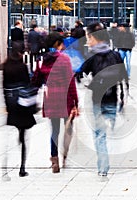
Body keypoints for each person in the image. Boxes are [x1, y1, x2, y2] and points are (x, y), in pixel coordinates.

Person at [75, 22, 128, 179]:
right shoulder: (116, 55)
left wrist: (89, 84)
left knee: (99, 135)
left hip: (97, 100)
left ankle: (103, 167)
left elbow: (79, 74)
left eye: (89, 38)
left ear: (94, 38)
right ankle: (109, 157)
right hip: (113, 98)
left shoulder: (92, 57)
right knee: (110, 131)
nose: (87, 41)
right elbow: (123, 75)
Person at [32, 32, 79, 173]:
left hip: (51, 98)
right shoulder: (64, 59)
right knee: (69, 127)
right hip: (65, 99)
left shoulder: (42, 61)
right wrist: (76, 101)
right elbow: (71, 82)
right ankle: (65, 153)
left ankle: (54, 159)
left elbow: (36, 81)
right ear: (58, 44)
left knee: (55, 130)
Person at [2, 41, 36, 177]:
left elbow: (3, 86)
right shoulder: (22, 67)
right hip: (22, 104)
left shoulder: (5, 66)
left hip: (11, 103)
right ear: (21, 53)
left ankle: (5, 167)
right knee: (23, 136)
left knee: (12, 134)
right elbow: (28, 84)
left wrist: (7, 105)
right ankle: (22, 167)